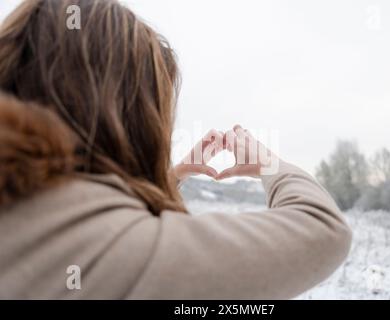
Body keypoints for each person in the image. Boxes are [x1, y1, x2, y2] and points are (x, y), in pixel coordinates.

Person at [0, 0, 351, 299]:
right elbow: (325, 231)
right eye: (158, 113)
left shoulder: (30, 206)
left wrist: (170, 175)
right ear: (122, 116)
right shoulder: (117, 252)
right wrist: (270, 164)